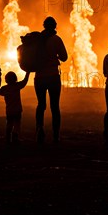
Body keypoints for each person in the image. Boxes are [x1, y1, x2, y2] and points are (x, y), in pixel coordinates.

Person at [34, 16, 68, 144]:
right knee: (55, 106)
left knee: (41, 105)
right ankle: (55, 135)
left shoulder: (37, 39)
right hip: (53, 76)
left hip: (39, 77)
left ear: (44, 26)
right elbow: (64, 57)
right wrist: (56, 55)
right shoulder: (56, 39)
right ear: (55, 26)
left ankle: (39, 131)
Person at [0, 71, 30, 145]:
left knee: (9, 124)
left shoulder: (4, 88)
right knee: (17, 124)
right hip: (17, 109)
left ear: (6, 79)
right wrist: (28, 72)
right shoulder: (17, 86)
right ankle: (15, 138)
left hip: (9, 110)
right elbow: (25, 81)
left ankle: (8, 138)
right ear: (15, 78)